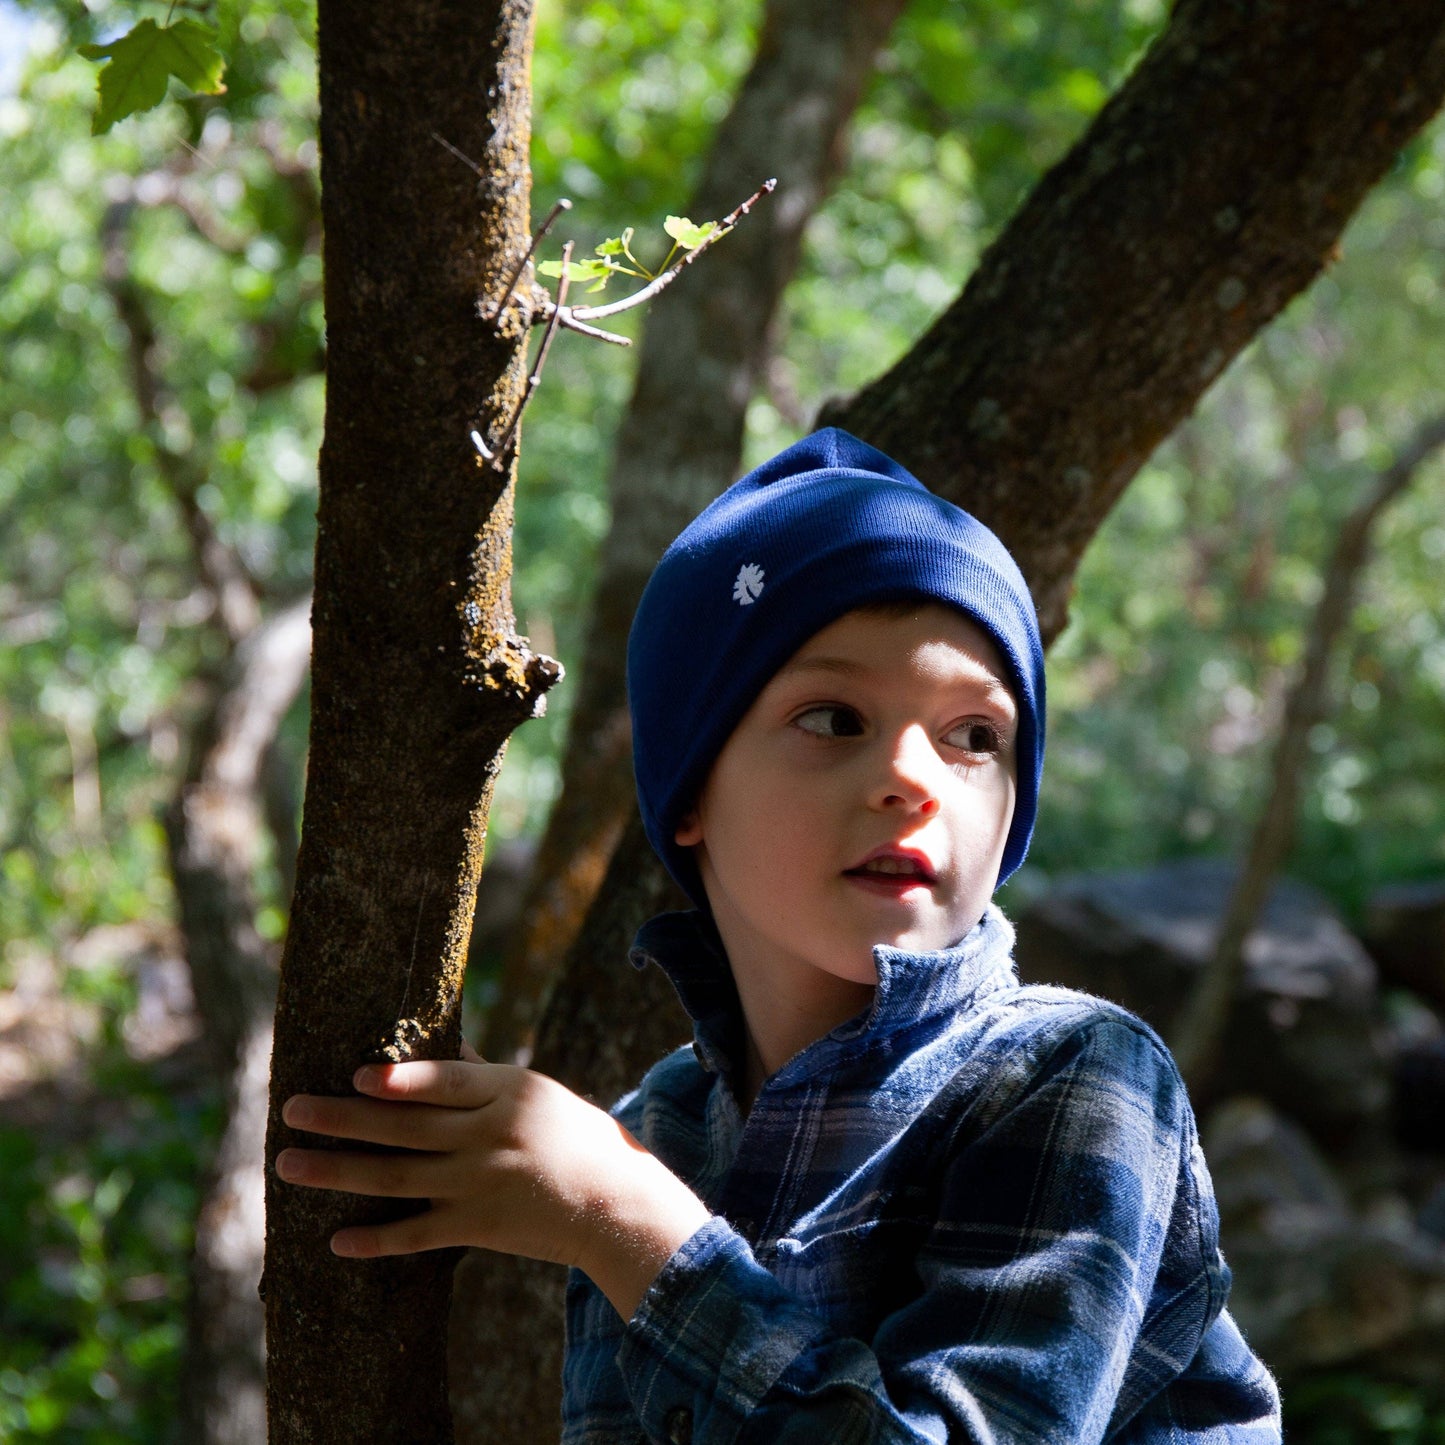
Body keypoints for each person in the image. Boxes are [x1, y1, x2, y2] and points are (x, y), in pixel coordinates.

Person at [277, 428, 1282, 1442]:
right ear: (690, 792)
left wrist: (631, 1226)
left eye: (974, 735)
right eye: (833, 717)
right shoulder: (656, 1127)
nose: (912, 777)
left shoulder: (1070, 1075)